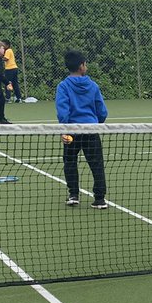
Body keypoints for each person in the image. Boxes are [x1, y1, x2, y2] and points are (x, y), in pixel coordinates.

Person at [55, 50, 108, 209]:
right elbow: (102, 111)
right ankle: (100, 199)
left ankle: (73, 195)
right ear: (81, 66)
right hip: (91, 130)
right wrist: (96, 122)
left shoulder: (63, 86)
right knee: (96, 164)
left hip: (72, 131)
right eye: (85, 63)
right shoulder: (93, 86)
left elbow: (62, 110)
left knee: (70, 162)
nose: (86, 66)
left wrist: (65, 128)